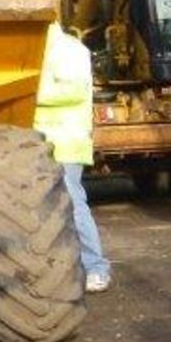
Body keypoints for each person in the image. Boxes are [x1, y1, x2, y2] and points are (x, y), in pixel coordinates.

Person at [34, 20, 110, 293]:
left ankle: (96, 268)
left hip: (65, 142)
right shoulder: (39, 48)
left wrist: (28, 94)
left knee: (73, 205)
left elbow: (73, 91)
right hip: (38, 142)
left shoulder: (69, 50)